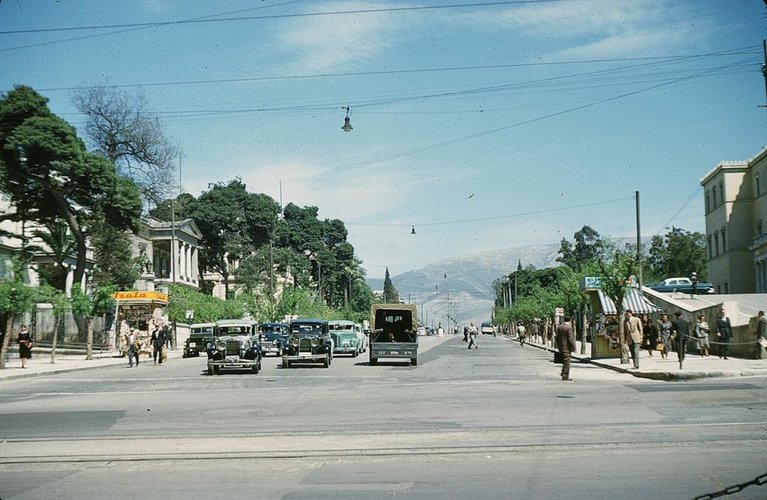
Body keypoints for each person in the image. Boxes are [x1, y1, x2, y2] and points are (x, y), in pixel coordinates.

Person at [555, 316, 576, 381]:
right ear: (570, 321)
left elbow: (557, 338)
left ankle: (563, 373)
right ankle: (565, 376)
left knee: (564, 361)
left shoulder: (560, 327)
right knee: (567, 362)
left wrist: (558, 346)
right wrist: (573, 347)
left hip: (561, 347)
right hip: (567, 348)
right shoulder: (569, 328)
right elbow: (570, 339)